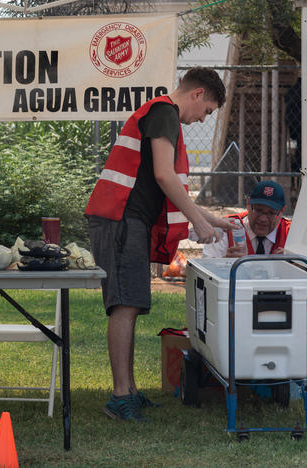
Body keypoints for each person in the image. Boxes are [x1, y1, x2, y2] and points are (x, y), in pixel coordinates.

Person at [85, 67, 236, 421]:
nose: (202, 119)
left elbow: (168, 182)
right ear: (197, 93)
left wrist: (211, 218)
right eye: (208, 111)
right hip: (120, 217)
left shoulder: (160, 112)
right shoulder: (164, 112)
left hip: (124, 218)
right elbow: (164, 175)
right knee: (124, 304)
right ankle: (120, 397)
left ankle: (130, 392)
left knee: (131, 304)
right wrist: (198, 222)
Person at [202, 180, 291, 258]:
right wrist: (226, 263)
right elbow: (206, 269)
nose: (263, 219)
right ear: (248, 204)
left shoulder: (291, 233)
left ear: (282, 211)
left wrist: (296, 264)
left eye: (271, 213)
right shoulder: (226, 229)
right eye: (258, 210)